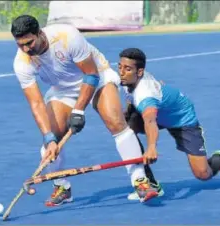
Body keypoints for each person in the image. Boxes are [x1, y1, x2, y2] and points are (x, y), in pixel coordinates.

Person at [11, 15, 158, 206]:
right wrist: (48, 138)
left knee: (115, 122)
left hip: (97, 78)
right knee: (51, 142)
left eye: (29, 43)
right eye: (20, 45)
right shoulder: (22, 62)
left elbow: (91, 75)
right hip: (62, 90)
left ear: (40, 33)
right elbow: (36, 103)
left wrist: (78, 111)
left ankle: (140, 181)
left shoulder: (66, 36)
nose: (26, 49)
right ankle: (62, 186)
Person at [118, 48, 220, 200]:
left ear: (140, 72)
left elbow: (150, 121)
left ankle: (219, 160)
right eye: (120, 67)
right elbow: (131, 99)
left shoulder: (145, 95)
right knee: (126, 131)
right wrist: (128, 112)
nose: (121, 72)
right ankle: (150, 184)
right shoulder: (128, 80)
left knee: (203, 174)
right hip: (160, 112)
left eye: (127, 68)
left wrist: (151, 148)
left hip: (182, 119)